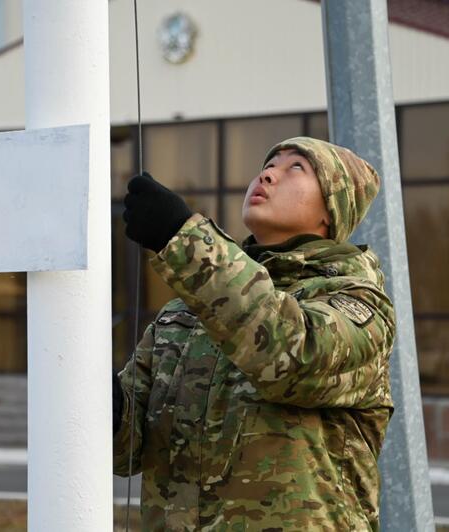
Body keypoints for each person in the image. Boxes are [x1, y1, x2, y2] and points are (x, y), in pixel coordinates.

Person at [113, 136, 395, 531]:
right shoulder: (188, 312)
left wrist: (183, 239)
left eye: (296, 167)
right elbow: (127, 449)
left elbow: (293, 358)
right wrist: (108, 406)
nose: (267, 173)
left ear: (332, 209)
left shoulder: (359, 303)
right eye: (269, 163)